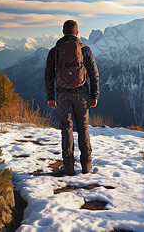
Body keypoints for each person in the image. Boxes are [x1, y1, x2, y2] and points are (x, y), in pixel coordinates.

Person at [45, 20, 99, 176]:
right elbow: (94, 74)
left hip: (62, 94)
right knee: (83, 127)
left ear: (63, 32)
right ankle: (86, 165)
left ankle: (68, 166)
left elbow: (48, 76)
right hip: (82, 94)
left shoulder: (54, 51)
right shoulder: (85, 50)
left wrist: (51, 97)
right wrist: (94, 95)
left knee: (66, 128)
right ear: (77, 33)